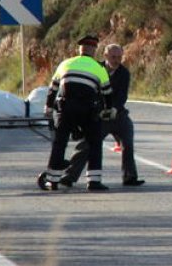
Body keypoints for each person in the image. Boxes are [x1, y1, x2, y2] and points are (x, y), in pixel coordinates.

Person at [61, 42, 145, 187]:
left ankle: (130, 177)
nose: (116, 60)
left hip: (117, 114)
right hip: (99, 114)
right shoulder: (95, 69)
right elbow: (90, 91)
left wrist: (114, 109)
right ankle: (69, 176)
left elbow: (121, 96)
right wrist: (97, 110)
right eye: (113, 56)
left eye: (119, 57)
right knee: (87, 145)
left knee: (128, 140)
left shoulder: (124, 73)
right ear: (105, 55)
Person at [42, 34, 114, 192]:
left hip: (65, 108)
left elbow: (53, 88)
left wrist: (48, 108)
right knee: (94, 142)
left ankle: (52, 181)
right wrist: (109, 109)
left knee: (59, 143)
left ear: (79, 49)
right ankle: (94, 182)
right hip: (88, 110)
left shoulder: (65, 64)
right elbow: (107, 92)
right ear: (94, 50)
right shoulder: (98, 68)